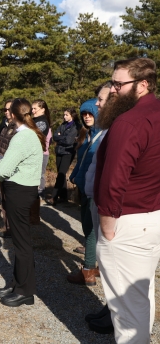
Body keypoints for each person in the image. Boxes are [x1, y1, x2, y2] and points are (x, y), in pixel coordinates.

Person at [95, 57, 160, 343]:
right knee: (141, 298)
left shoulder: (128, 122)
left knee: (128, 312)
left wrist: (108, 226)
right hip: (151, 218)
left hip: (127, 222)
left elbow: (113, 180)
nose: (113, 90)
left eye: (119, 84)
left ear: (143, 85)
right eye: (112, 83)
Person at [0, 98, 45, 307]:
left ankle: (25, 291)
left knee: (22, 243)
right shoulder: (28, 135)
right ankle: (17, 283)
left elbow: (2, 170)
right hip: (23, 190)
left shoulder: (22, 137)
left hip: (19, 191)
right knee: (18, 242)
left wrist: (1, 166)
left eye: (9, 112)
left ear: (14, 115)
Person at [82, 82, 113, 334]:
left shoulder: (117, 130)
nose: (97, 104)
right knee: (108, 263)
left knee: (114, 264)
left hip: (110, 208)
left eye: (101, 100)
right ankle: (110, 307)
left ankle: (116, 316)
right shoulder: (103, 132)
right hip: (95, 200)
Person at [66, 98, 101, 286]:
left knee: (91, 230)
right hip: (83, 186)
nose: (87, 117)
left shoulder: (103, 136)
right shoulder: (87, 135)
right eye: (84, 114)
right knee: (89, 228)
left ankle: (87, 270)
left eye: (90, 114)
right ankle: (94, 265)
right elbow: (82, 161)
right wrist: (75, 175)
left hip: (94, 189)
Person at [46, 109, 80, 206]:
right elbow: (55, 136)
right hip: (59, 151)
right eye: (64, 114)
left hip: (68, 152)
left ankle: (53, 197)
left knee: (61, 174)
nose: (64, 116)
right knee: (61, 174)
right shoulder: (63, 125)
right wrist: (62, 137)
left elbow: (69, 141)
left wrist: (62, 137)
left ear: (72, 116)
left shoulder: (76, 126)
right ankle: (64, 197)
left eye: (66, 115)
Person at [0, 100, 16, 238]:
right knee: (3, 199)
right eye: (5, 109)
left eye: (9, 109)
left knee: (12, 200)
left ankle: (13, 228)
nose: (6, 112)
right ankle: (6, 226)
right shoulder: (5, 125)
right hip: (2, 166)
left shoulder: (19, 128)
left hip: (12, 169)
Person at [31, 99, 52, 199]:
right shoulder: (34, 120)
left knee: (40, 173)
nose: (33, 111)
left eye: (35, 108)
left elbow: (34, 137)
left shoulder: (42, 122)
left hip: (40, 153)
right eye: (32, 108)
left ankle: (40, 191)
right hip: (33, 153)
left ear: (42, 109)